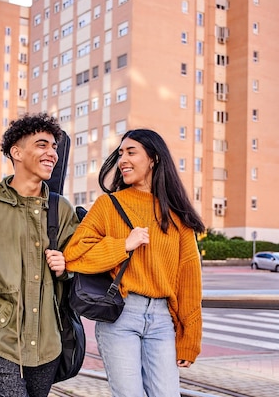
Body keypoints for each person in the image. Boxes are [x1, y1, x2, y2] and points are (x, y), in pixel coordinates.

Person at [64, 128, 205, 397]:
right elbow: (74, 255)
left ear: (153, 158)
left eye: (131, 152)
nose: (122, 160)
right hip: (120, 316)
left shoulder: (177, 215)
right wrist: (123, 245)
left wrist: (190, 338)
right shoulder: (108, 205)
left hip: (163, 320)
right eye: (120, 154)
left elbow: (189, 280)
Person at [0, 113, 80, 397]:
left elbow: (80, 267)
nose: (52, 153)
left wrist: (67, 266)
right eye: (42, 145)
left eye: (54, 146)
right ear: (16, 152)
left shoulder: (62, 209)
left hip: (47, 344)